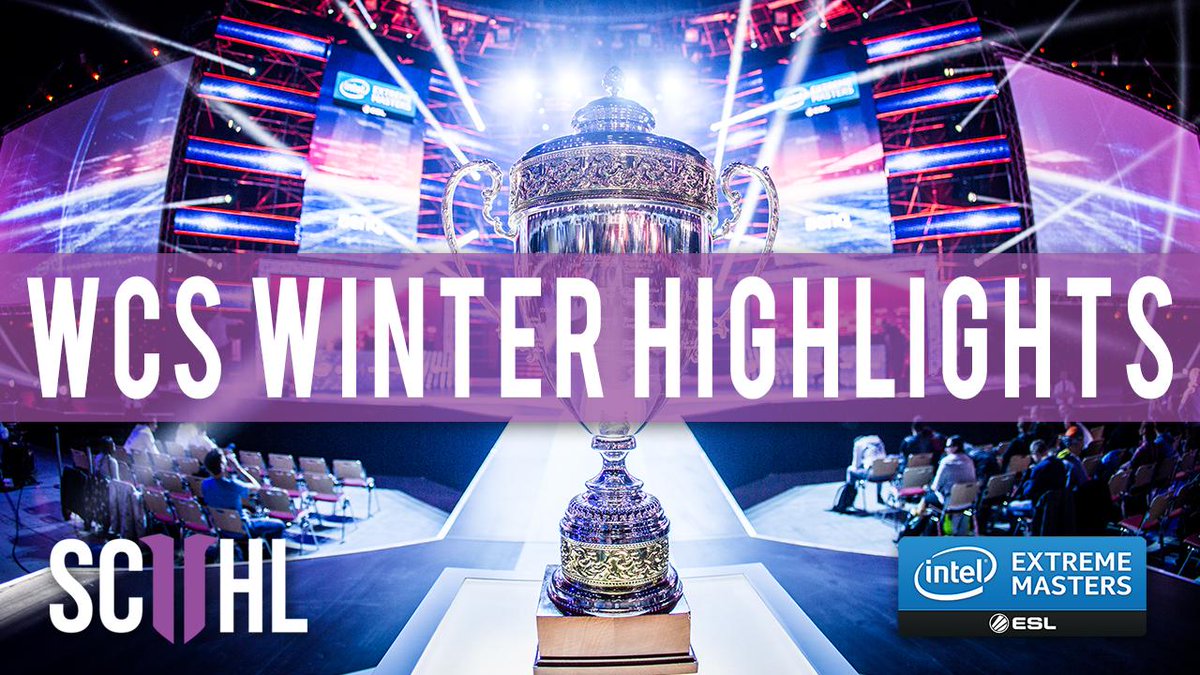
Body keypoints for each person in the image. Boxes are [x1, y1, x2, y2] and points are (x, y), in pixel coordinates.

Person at [201, 449, 284, 540]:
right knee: (279, 525)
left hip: (222, 528)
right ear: (223, 465)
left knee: (246, 513)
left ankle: (239, 547)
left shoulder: (204, 484)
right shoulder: (233, 485)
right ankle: (273, 550)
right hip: (243, 529)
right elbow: (257, 487)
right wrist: (238, 468)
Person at [928, 435, 975, 507]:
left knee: (927, 497)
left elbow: (936, 486)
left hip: (950, 502)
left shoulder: (946, 462)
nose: (945, 449)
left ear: (955, 447)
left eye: (948, 446)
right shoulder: (969, 460)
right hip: (968, 501)